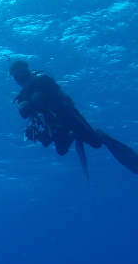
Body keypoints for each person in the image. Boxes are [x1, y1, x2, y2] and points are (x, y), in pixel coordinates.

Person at [10, 59, 138, 178]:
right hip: (54, 124)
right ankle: (76, 134)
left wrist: (31, 102)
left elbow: (51, 92)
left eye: (24, 75)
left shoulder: (42, 80)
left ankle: (99, 134)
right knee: (61, 151)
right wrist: (31, 102)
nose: (22, 80)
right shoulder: (22, 96)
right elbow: (24, 114)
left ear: (28, 72)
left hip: (70, 115)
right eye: (18, 78)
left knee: (96, 143)